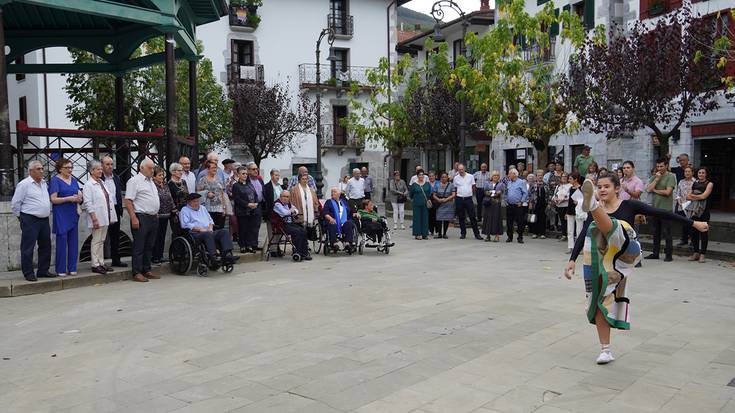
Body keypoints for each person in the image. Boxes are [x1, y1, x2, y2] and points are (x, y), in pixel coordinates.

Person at [564, 174, 708, 365]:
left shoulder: (629, 206)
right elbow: (583, 234)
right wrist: (572, 260)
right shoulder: (596, 213)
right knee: (599, 300)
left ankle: (592, 206)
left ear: (617, 189)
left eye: (607, 186)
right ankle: (605, 350)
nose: (602, 190)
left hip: (626, 252)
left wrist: (693, 223)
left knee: (615, 227)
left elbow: (661, 213)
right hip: (604, 261)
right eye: (599, 187)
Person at [12, 160, 54, 282]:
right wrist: (21, 218)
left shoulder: (44, 183)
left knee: (45, 245)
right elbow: (15, 203)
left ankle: (43, 270)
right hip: (30, 219)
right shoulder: (24, 184)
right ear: (31, 171)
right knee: (28, 247)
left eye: (42, 168)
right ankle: (28, 273)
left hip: (44, 219)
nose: (41, 171)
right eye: (38, 169)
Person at [125, 159, 160, 283]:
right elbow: (128, 200)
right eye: (150, 168)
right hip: (141, 216)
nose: (152, 171)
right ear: (142, 168)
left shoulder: (151, 182)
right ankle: (137, 272)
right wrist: (133, 217)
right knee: (139, 246)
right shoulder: (134, 181)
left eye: (153, 168)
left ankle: (147, 269)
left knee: (149, 245)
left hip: (153, 217)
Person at [179, 193, 238, 267]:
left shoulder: (202, 208)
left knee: (224, 232)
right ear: (189, 202)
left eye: (198, 201)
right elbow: (185, 224)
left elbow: (210, 220)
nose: (197, 203)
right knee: (207, 234)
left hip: (208, 230)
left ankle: (227, 255)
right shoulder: (184, 210)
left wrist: (210, 227)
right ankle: (213, 256)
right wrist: (200, 229)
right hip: (195, 233)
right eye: (194, 201)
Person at [49, 158, 82, 277]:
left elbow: (78, 193)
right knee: (62, 240)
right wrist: (68, 199)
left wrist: (79, 197)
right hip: (61, 213)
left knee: (73, 241)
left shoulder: (73, 180)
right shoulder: (55, 181)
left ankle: (72, 267)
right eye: (67, 168)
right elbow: (53, 199)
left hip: (73, 212)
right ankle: (61, 269)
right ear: (60, 169)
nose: (70, 170)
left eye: (71, 167)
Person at [83, 160, 117, 274]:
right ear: (92, 171)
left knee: (102, 240)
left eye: (101, 169)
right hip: (97, 217)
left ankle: (101, 262)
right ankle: (95, 264)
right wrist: (94, 218)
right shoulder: (88, 185)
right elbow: (88, 203)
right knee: (96, 240)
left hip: (105, 216)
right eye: (98, 169)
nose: (101, 171)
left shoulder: (102, 182)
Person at [646, 157, 677, 261]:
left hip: (666, 209)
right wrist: (656, 179)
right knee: (656, 233)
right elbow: (648, 189)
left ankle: (669, 255)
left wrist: (655, 190)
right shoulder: (655, 177)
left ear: (666, 166)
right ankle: (655, 253)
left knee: (667, 233)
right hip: (655, 209)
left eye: (661, 166)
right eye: (658, 166)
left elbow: (668, 192)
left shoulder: (671, 176)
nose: (659, 168)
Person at [233, 163, 264, 253]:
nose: (245, 175)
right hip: (242, 211)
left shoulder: (249, 184)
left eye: (246, 174)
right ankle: (242, 246)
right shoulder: (236, 186)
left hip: (252, 211)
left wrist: (255, 203)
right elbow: (237, 199)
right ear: (238, 174)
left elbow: (255, 195)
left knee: (250, 229)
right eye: (243, 174)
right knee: (243, 229)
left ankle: (249, 245)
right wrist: (247, 204)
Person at [101, 156, 126, 268]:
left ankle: (116, 260)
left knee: (115, 236)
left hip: (115, 208)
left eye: (111, 164)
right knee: (101, 237)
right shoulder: (99, 178)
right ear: (102, 165)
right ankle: (99, 262)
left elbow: (118, 194)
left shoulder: (116, 178)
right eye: (107, 164)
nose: (110, 166)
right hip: (103, 209)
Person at [272, 190, 311, 260]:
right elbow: (285, 213)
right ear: (280, 197)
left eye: (287, 197)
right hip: (281, 225)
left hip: (290, 223)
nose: (286, 198)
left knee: (303, 231)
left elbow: (296, 211)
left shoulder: (288, 204)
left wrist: (292, 211)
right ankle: (297, 252)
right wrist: (291, 211)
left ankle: (304, 253)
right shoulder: (277, 204)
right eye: (284, 196)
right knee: (297, 231)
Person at [687, 167, 714, 263]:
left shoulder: (709, 184)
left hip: (704, 211)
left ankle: (703, 254)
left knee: (704, 233)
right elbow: (688, 196)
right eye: (699, 172)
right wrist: (696, 196)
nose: (701, 174)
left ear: (706, 174)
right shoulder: (694, 183)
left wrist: (694, 196)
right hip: (694, 211)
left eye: (703, 173)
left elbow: (704, 196)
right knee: (693, 232)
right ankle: (696, 253)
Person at [152, 165, 175, 265]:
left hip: (166, 214)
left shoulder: (165, 185)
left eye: (162, 175)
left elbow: (170, 198)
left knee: (162, 236)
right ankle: (155, 256)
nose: (162, 177)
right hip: (157, 215)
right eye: (160, 175)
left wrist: (173, 208)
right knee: (156, 236)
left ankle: (160, 256)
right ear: (154, 176)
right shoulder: (153, 186)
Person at [452, 164, 482, 240]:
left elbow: (473, 186)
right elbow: (455, 188)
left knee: (472, 216)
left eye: (462, 169)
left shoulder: (470, 176)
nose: (461, 171)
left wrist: (471, 194)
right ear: (457, 170)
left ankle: (477, 234)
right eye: (459, 170)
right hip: (459, 198)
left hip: (468, 198)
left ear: (464, 169)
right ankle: (463, 233)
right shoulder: (456, 178)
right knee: (461, 217)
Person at [197, 159, 227, 229]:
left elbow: (222, 194)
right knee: (211, 229)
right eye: (213, 168)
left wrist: (224, 208)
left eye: (216, 167)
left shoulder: (219, 179)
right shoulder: (203, 180)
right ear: (208, 169)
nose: (215, 169)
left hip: (219, 208)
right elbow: (198, 192)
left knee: (220, 228)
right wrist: (207, 193)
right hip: (208, 209)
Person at [290, 173, 320, 240]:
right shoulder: (294, 190)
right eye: (303, 179)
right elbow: (291, 201)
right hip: (299, 214)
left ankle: (306, 245)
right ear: (299, 180)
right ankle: (298, 246)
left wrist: (316, 209)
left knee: (307, 231)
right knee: (300, 232)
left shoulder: (311, 190)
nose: (305, 180)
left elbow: (315, 201)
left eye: (306, 179)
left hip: (309, 214)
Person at [262, 168, 283, 256]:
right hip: (271, 212)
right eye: (276, 175)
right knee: (271, 231)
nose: (277, 177)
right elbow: (266, 201)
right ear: (271, 176)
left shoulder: (279, 186)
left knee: (279, 231)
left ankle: (277, 247)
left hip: (280, 212)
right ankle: (272, 250)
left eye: (278, 175)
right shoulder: (267, 186)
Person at [505, 168, 528, 244]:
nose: (508, 175)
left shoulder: (521, 182)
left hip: (518, 205)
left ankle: (520, 237)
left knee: (520, 222)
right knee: (509, 222)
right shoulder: (508, 182)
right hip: (509, 205)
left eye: (510, 173)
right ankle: (509, 237)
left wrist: (521, 201)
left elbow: (525, 193)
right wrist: (506, 200)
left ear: (514, 174)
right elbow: (506, 192)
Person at [674, 165, 694, 247]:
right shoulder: (681, 182)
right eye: (686, 171)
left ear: (692, 173)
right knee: (684, 223)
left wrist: (688, 204)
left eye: (689, 171)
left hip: (691, 206)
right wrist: (680, 202)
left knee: (691, 224)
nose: (687, 173)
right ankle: (684, 239)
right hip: (682, 205)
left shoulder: (695, 182)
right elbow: (677, 194)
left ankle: (693, 241)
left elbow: (695, 194)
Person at [481, 171, 504, 242]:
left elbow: (500, 192)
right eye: (494, 175)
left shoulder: (501, 184)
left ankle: (497, 236)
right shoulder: (487, 183)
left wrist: (492, 193)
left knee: (496, 219)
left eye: (497, 175)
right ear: (492, 176)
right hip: (488, 204)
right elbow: (485, 191)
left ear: (499, 177)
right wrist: (493, 193)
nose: (495, 177)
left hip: (497, 203)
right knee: (488, 219)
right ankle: (488, 236)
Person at [409, 170, 432, 240]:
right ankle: (418, 234)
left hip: (425, 204)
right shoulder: (414, 185)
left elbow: (429, 193)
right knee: (417, 219)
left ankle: (425, 234)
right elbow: (411, 195)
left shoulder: (427, 184)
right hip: (416, 204)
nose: (421, 176)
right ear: (417, 176)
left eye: (422, 175)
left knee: (425, 219)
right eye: (420, 175)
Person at [432, 172, 455, 239]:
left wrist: (446, 199)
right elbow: (434, 195)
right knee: (439, 218)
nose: (444, 178)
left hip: (448, 204)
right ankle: (439, 233)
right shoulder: (437, 185)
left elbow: (453, 194)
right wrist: (438, 200)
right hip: (439, 204)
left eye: (445, 177)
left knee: (446, 219)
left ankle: (444, 233)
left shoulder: (451, 185)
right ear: (440, 178)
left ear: (447, 178)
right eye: (442, 177)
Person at [551, 173, 571, 243]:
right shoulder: (558, 186)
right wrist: (555, 199)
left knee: (569, 221)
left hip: (567, 206)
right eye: (563, 176)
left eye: (565, 176)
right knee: (562, 221)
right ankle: (564, 235)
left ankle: (570, 235)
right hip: (559, 206)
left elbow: (570, 196)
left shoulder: (570, 186)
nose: (564, 178)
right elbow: (555, 195)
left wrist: (563, 199)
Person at [529, 170, 547, 239]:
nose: (540, 177)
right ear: (536, 177)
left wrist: (548, 203)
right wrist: (530, 202)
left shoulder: (545, 184)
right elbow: (530, 194)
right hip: (535, 204)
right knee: (535, 218)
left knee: (543, 218)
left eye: (541, 175)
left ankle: (543, 233)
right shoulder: (533, 185)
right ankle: (535, 233)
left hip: (543, 203)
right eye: (538, 175)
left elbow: (549, 194)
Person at [427, 171, 437, 236]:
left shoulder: (439, 183)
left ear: (435, 176)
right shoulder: (427, 184)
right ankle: (431, 230)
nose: (431, 177)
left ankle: (437, 230)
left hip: (437, 200)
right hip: (429, 201)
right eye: (430, 176)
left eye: (432, 176)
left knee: (436, 216)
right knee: (430, 216)